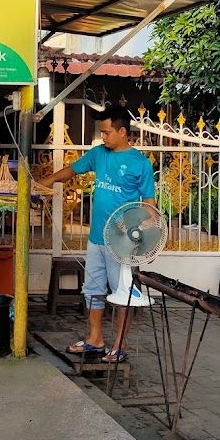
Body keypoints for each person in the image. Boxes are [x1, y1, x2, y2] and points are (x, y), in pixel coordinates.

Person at [36, 105, 155, 363]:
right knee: (93, 290)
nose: (104, 137)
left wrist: (144, 235)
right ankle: (95, 340)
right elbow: (71, 171)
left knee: (122, 292)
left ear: (123, 132)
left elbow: (149, 207)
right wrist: (42, 184)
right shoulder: (98, 154)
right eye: (102, 132)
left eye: (107, 132)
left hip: (122, 243)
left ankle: (120, 344)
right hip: (96, 239)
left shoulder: (140, 164)